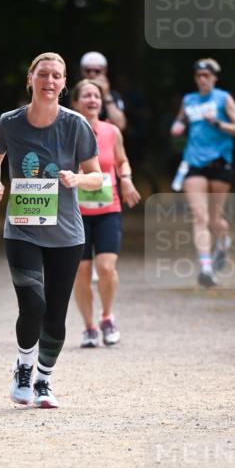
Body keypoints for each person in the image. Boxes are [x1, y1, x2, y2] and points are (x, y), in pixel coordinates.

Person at [0, 52, 102, 409]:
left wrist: (77, 178)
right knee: (33, 305)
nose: (49, 81)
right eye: (43, 74)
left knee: (55, 313)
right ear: (30, 78)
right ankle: (24, 366)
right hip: (22, 229)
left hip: (66, 234)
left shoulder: (76, 124)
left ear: (64, 84)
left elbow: (97, 177)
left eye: (56, 76)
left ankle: (44, 380)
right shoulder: (10, 122)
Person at [70, 79, 141, 347]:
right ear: (75, 102)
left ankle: (107, 317)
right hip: (76, 212)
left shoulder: (112, 131)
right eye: (86, 95)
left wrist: (127, 179)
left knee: (106, 267)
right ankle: (89, 327)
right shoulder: (66, 131)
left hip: (108, 209)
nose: (92, 100)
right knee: (81, 270)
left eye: (96, 96)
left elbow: (122, 161)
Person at [170, 58, 235, 287]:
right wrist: (177, 126)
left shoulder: (223, 98)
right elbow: (179, 121)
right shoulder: (189, 100)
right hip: (193, 163)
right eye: (199, 76)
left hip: (219, 163)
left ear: (214, 78)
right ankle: (205, 267)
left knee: (215, 219)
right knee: (199, 216)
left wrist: (217, 123)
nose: (202, 79)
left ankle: (223, 242)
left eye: (207, 75)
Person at [78, 51, 127, 131]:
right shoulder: (72, 94)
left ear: (105, 71)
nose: (92, 74)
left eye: (97, 71)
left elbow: (120, 125)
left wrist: (106, 95)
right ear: (82, 71)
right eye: (88, 70)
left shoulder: (113, 95)